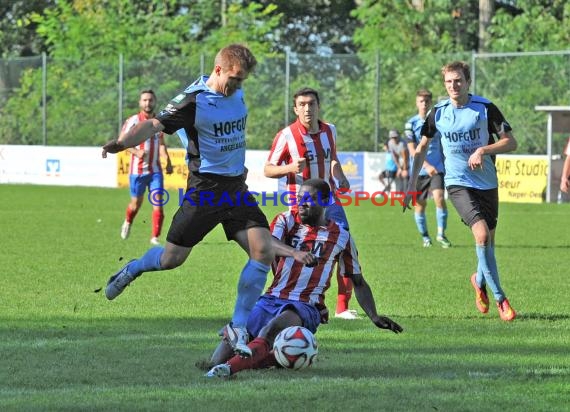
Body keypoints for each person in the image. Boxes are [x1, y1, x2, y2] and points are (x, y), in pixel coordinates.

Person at [101, 44, 275, 357]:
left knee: (263, 251)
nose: (237, 86)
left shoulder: (236, 93)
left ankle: (238, 327)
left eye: (242, 81)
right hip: (205, 191)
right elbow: (154, 125)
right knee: (172, 259)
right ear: (218, 69)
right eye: (234, 78)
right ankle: (133, 269)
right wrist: (122, 143)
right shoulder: (193, 100)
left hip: (236, 188)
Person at [205, 179, 403, 378]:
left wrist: (374, 315)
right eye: (299, 198)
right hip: (271, 298)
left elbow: (358, 281)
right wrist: (294, 252)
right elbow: (266, 243)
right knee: (228, 346)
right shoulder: (287, 219)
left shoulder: (341, 237)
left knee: (271, 330)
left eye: (309, 200)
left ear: (326, 201)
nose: (302, 204)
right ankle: (267, 359)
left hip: (306, 305)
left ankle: (228, 370)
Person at [404, 61, 517, 322]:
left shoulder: (485, 108)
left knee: (488, 240)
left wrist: (483, 150)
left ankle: (478, 280)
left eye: (458, 81)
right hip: (456, 183)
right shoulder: (438, 112)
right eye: (448, 82)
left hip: (487, 183)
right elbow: (421, 148)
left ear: (467, 82)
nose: (453, 86)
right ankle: (501, 299)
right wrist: (411, 183)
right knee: (481, 235)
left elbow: (511, 142)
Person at [264, 87, 357, 320]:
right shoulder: (286, 136)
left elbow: (333, 158)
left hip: (330, 201)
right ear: (295, 109)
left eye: (311, 104)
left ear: (318, 106)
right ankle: (307, 299)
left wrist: (340, 175)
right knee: (299, 253)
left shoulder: (330, 131)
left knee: (345, 247)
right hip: (301, 205)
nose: (307, 108)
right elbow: (268, 169)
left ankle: (343, 307)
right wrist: (290, 168)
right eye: (302, 104)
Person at [119, 89, 173, 245]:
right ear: (140, 102)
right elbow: (121, 143)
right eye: (144, 100)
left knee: (158, 203)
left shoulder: (159, 121)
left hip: (156, 171)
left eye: (150, 100)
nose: (147, 103)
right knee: (136, 204)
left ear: (154, 101)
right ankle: (128, 221)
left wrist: (167, 161)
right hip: (137, 171)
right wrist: (135, 151)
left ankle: (155, 237)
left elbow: (161, 144)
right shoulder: (133, 121)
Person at [404, 88, 451, 248]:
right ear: (417, 103)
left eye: (427, 101)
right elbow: (412, 150)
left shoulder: (438, 120)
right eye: (421, 101)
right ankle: (425, 237)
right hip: (420, 170)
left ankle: (441, 234)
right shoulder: (410, 124)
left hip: (437, 168)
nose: (424, 104)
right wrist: (426, 165)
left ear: (431, 103)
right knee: (420, 205)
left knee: (439, 199)